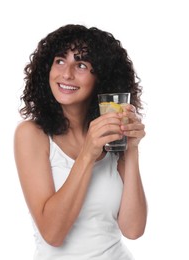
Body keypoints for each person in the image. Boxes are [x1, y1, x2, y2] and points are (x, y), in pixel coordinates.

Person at [14, 24, 147, 260]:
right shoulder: (32, 135)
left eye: (82, 65)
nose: (66, 74)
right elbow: (53, 233)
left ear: (102, 77)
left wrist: (132, 149)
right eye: (60, 61)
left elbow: (133, 229)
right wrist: (88, 153)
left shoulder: (112, 132)